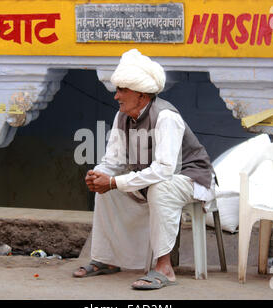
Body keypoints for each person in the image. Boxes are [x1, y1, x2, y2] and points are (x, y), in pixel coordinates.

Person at [73, 49, 216, 290]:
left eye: (122, 91)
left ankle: (165, 268)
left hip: (191, 178)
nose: (116, 96)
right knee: (107, 190)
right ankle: (107, 259)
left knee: (160, 188)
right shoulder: (123, 116)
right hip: (159, 179)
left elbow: (164, 170)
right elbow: (114, 160)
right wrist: (100, 175)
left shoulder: (166, 116)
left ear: (141, 95)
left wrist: (114, 182)